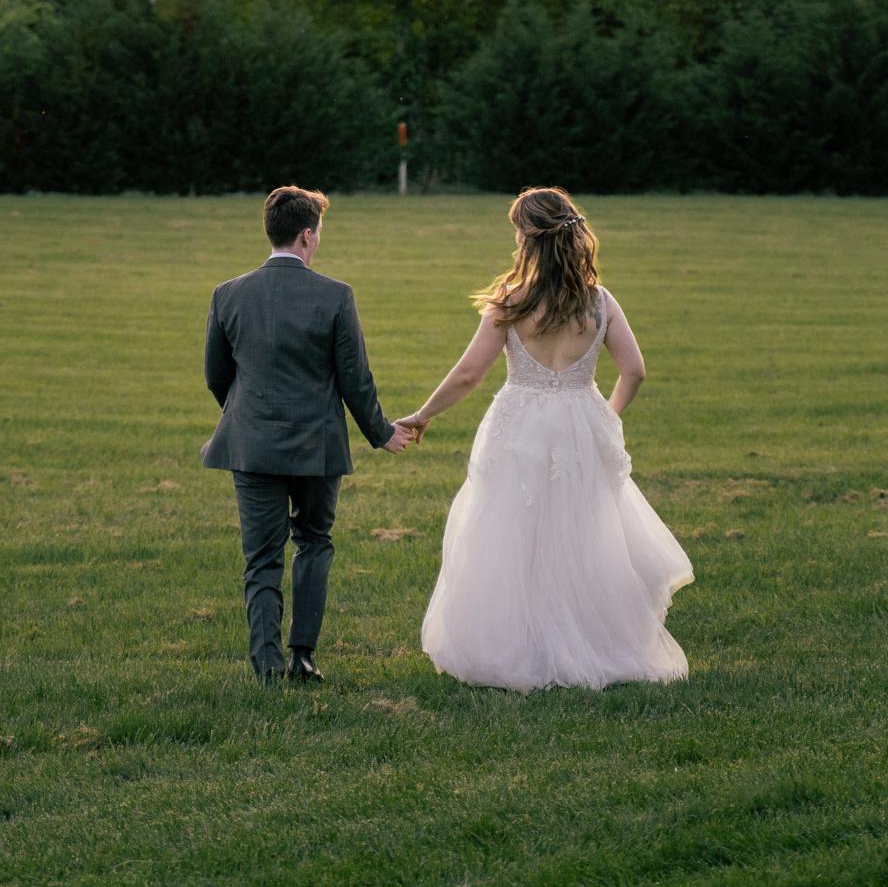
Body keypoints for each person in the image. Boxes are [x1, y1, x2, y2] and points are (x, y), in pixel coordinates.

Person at [398, 187, 692, 692]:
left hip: (520, 426)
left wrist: (423, 415)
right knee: (581, 533)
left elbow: (469, 375)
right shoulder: (599, 301)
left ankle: (519, 645)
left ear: (528, 239)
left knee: (512, 533)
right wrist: (603, 416)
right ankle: (592, 639)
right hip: (580, 423)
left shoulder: (513, 301)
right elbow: (634, 371)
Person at [203, 186, 416, 684]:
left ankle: (267, 667)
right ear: (305, 235)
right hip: (317, 447)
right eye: (318, 232)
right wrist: (382, 433)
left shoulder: (228, 294)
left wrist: (250, 417)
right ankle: (303, 656)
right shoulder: (336, 295)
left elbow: (216, 375)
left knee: (261, 558)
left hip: (251, 445)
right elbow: (354, 378)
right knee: (314, 541)